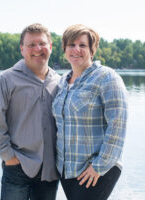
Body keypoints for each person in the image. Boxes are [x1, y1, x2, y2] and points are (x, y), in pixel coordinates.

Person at [0, 23, 60, 200]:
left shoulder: (59, 81)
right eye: (31, 44)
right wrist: (9, 157)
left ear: (50, 46)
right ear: (22, 49)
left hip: (49, 170)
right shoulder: (5, 80)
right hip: (17, 165)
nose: (37, 49)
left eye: (41, 43)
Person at [52, 24, 128, 200]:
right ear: (64, 49)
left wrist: (99, 166)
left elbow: (117, 125)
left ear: (92, 50)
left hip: (96, 170)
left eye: (82, 45)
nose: (76, 49)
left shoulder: (107, 78)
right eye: (71, 44)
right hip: (67, 169)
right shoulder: (63, 81)